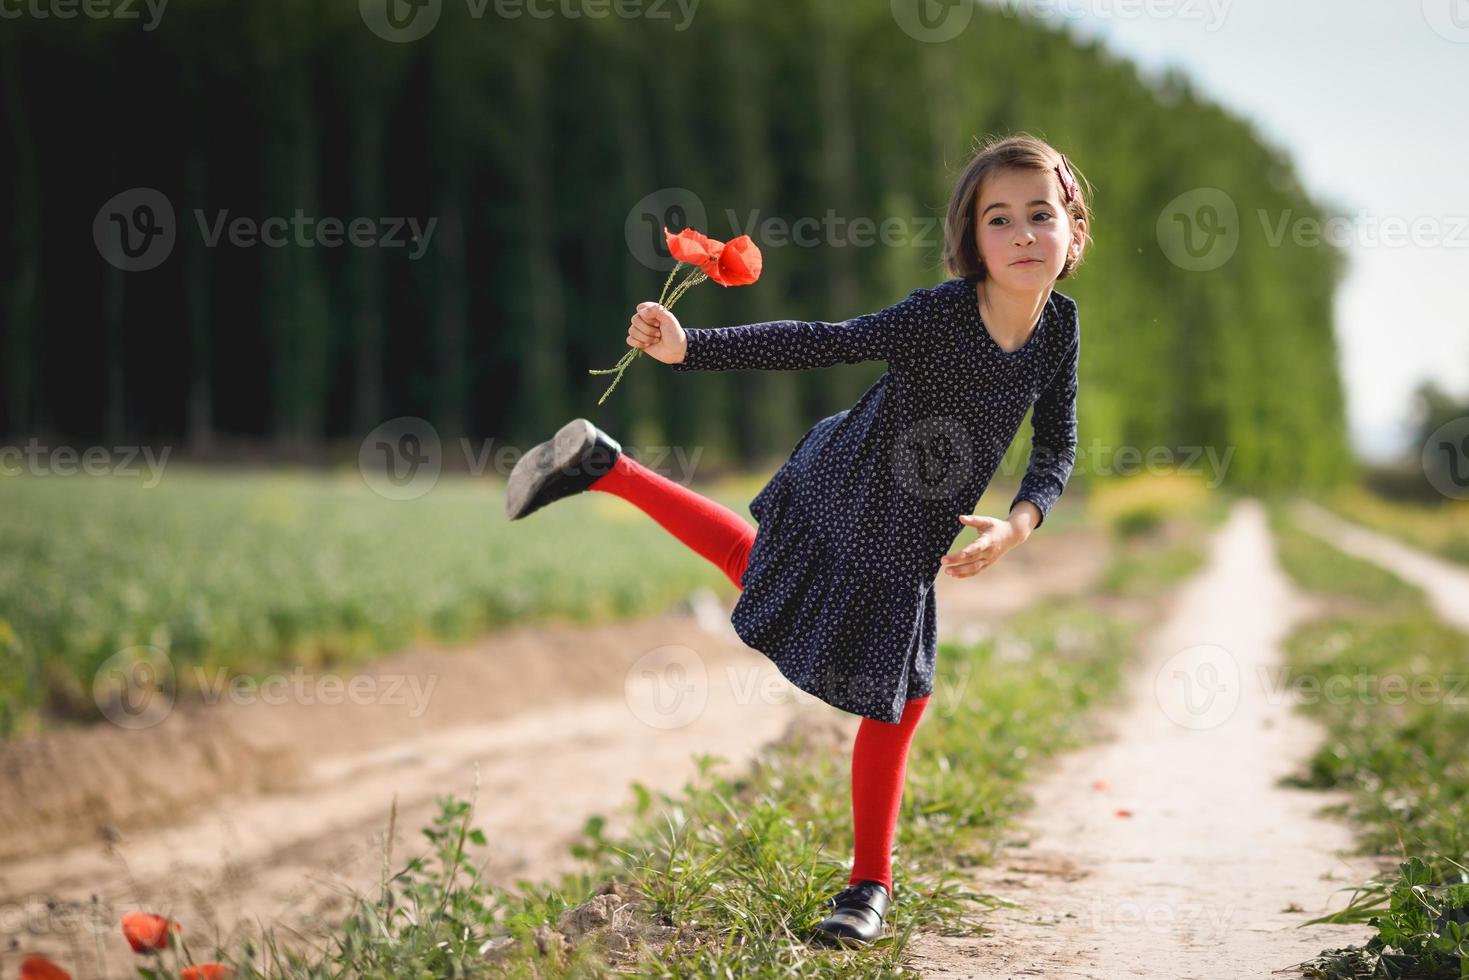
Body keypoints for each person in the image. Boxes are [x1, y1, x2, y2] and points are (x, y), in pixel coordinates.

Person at [503, 133, 1089, 948]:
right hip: (856, 482)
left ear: (1073, 230)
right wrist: (689, 348)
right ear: (972, 242)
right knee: (902, 696)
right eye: (1000, 219)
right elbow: (822, 339)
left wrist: (1018, 524)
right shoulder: (937, 316)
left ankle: (605, 466)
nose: (1024, 233)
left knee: (767, 580)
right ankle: (866, 890)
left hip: (912, 522)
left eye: (1040, 214)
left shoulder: (1059, 330)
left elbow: (1056, 447)